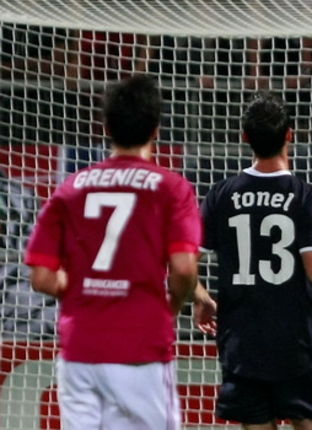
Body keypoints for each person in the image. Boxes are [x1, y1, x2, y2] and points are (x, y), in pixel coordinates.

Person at [24, 75, 201, 429]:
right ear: (156, 129)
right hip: (141, 345)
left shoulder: (70, 190)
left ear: (105, 127)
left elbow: (42, 277)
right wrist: (174, 306)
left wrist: (83, 287)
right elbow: (183, 270)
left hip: (80, 350)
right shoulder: (171, 189)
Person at [196, 93, 312, 430]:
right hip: (294, 346)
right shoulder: (307, 198)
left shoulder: (221, 195)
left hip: (242, 346)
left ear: (245, 138)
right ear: (289, 135)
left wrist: (202, 299)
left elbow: (183, 264)